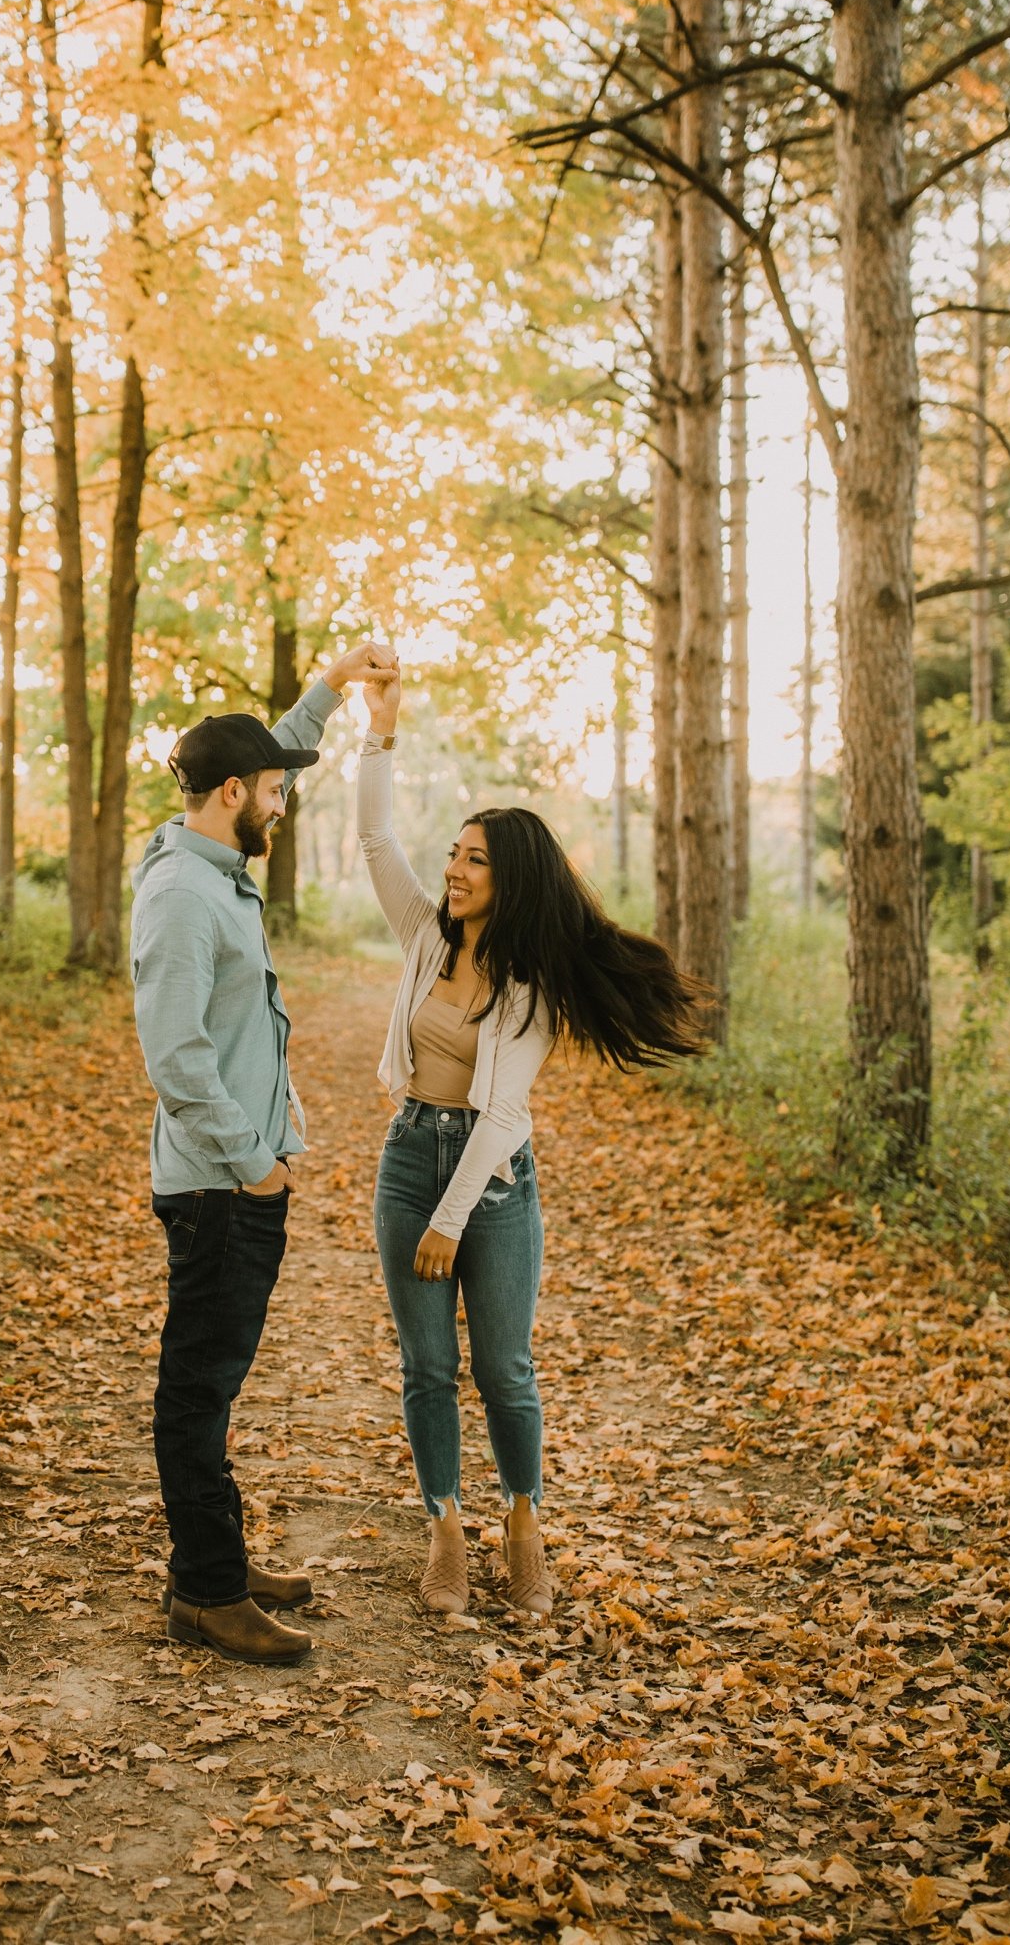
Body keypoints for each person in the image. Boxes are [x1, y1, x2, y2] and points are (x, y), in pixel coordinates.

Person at [357, 666, 706, 1618]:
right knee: (426, 1367)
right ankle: (444, 1534)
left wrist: (450, 1221)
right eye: (455, 853)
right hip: (407, 1159)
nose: (455, 869)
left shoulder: (533, 986)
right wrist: (378, 733)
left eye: (476, 860)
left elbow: (504, 1115)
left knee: (503, 1369)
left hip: (494, 1186)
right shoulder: (426, 938)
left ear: (510, 879)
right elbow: (375, 837)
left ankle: (523, 1524)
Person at [131, 642, 397, 1666]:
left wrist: (331, 684)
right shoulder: (184, 898)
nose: (284, 806)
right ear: (232, 793)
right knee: (196, 1387)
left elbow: (275, 750)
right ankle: (204, 1592)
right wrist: (253, 1159)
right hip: (217, 1185)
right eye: (275, 794)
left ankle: (219, 1556)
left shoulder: (210, 852)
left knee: (217, 1381)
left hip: (235, 1178)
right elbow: (177, 1057)